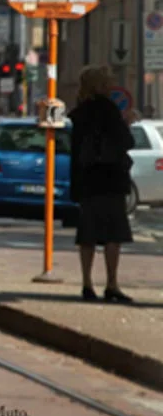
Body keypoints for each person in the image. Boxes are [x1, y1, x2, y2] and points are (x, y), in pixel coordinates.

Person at [68, 66, 135, 303]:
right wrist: (127, 122)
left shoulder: (78, 113)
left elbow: (75, 152)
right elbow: (126, 141)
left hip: (87, 181)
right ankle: (111, 283)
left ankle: (87, 283)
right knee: (112, 235)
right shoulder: (109, 109)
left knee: (88, 234)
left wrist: (75, 185)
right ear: (101, 85)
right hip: (110, 179)